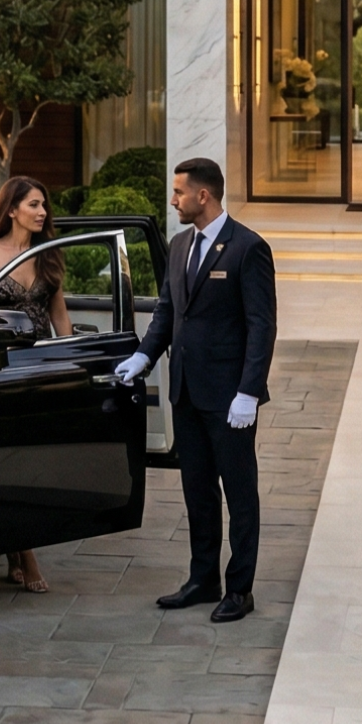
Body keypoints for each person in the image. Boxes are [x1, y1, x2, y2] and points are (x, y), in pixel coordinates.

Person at [113, 156, 276, 623]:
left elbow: (262, 326)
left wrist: (249, 390)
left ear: (203, 195)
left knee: (240, 496)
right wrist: (144, 356)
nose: (173, 199)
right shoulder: (181, 243)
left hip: (230, 400)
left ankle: (239, 590)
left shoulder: (248, 248)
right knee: (198, 492)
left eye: (179, 192)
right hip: (186, 392)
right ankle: (203, 579)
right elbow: (168, 311)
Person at [0, 174, 70, 595]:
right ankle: (26, 554)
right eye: (34, 205)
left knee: (35, 460)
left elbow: (59, 313)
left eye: (44, 205)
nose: (42, 212)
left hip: (41, 367)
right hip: (3, 368)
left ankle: (15, 548)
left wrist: (70, 355)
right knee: (12, 460)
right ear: (11, 210)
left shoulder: (48, 254)